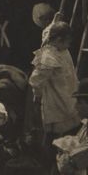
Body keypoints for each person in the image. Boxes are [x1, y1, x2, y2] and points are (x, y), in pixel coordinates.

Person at [29, 20, 80, 161]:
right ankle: (52, 161)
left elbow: (47, 31)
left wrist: (55, 20)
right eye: (66, 42)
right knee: (59, 131)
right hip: (57, 95)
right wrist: (37, 96)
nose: (68, 45)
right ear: (58, 40)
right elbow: (36, 80)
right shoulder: (48, 57)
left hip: (68, 87)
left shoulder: (60, 48)